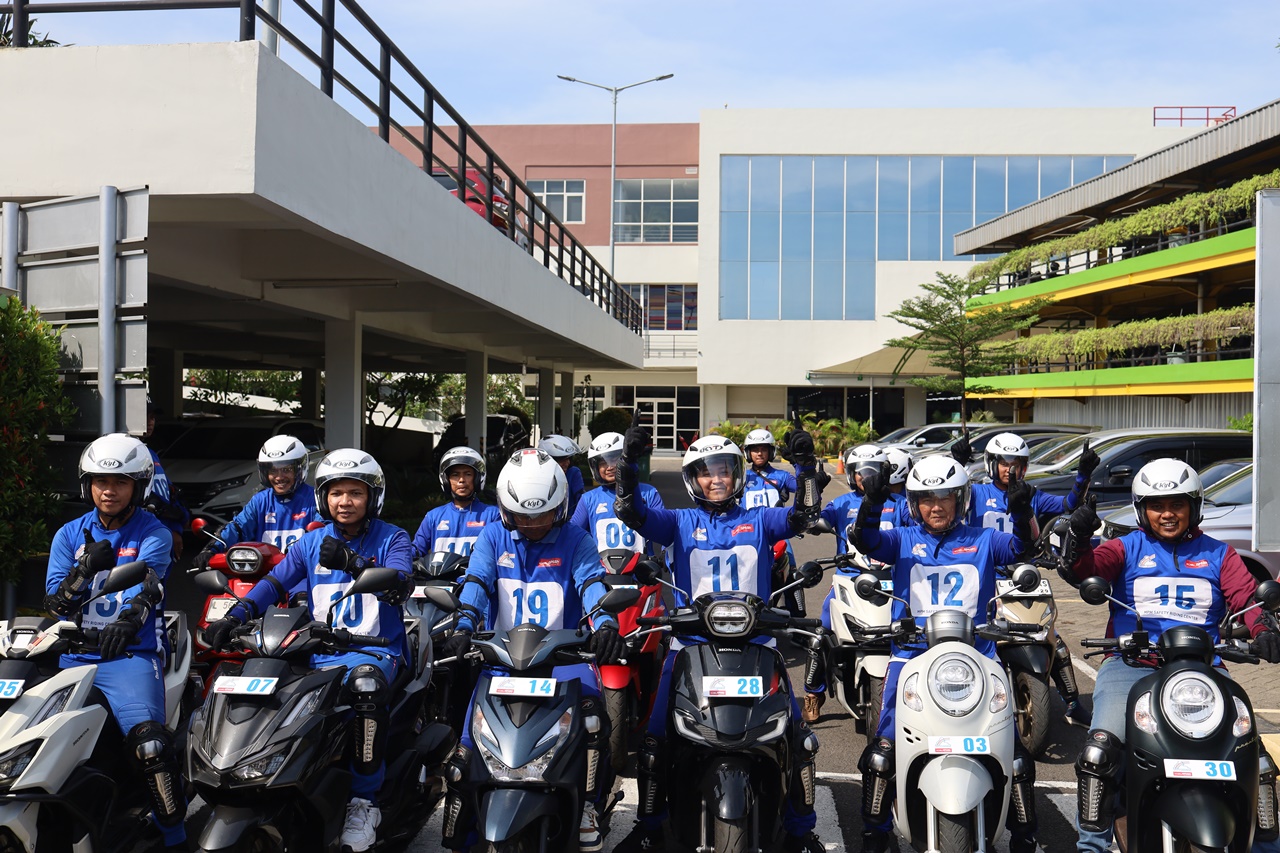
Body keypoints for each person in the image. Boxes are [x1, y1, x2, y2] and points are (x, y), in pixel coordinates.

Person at [611, 428, 825, 853]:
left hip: (759, 645)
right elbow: (630, 513)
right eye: (706, 473)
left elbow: (801, 516)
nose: (716, 479)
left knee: (799, 739)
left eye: (724, 471)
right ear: (693, 480)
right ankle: (651, 825)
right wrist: (628, 469)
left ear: (737, 475)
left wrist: (804, 468)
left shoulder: (761, 519)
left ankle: (801, 831)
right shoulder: (678, 520)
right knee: (654, 741)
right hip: (688, 646)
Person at [1062, 458, 1280, 853]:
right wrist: (1078, 538)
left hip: (1204, 669)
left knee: (1255, 758)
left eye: (1177, 504)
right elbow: (1085, 569)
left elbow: (1247, 600)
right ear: (1141, 509)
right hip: (1130, 666)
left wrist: (1264, 628)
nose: (1167, 514)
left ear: (1194, 506)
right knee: (1100, 750)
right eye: (1157, 505)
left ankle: (1266, 845)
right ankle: (1091, 845)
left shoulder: (1220, 554)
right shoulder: (1126, 547)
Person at [202, 448, 412, 853]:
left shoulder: (393, 537)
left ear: (372, 497)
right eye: (336, 493)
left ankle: (363, 802)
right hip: (316, 650)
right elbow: (275, 584)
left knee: (365, 690)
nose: (345, 502)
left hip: (372, 652)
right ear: (323, 498)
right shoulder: (310, 542)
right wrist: (234, 614)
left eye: (355, 493)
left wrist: (353, 563)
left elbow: (400, 584)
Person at [850, 454, 1040, 853]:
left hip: (978, 657)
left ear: (961, 499)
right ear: (912, 504)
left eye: (945, 497)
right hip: (912, 658)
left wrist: (1022, 514)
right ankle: (874, 830)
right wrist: (872, 505)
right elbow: (865, 541)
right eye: (925, 499)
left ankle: (1025, 836)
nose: (936, 506)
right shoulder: (901, 539)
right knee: (883, 750)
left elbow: (1024, 548)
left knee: (1016, 756)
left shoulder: (984, 539)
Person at [438, 448, 624, 853]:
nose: (533, 524)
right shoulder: (492, 535)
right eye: (522, 515)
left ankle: (589, 804)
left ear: (560, 506)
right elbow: (477, 583)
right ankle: (464, 809)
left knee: (595, 723)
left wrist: (606, 625)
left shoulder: (578, 539)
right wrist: (464, 626)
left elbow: (592, 586)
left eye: (542, 514)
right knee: (468, 744)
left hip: (565, 662)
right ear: (506, 507)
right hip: (503, 663)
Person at [45, 434, 189, 850]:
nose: (108, 490)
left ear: (138, 487)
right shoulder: (69, 534)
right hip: (74, 657)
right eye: (100, 481)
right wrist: (82, 570)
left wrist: (127, 622)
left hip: (130, 657)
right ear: (87, 484)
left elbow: (149, 589)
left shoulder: (155, 532)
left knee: (151, 747)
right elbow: (55, 605)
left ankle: (176, 839)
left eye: (120, 482)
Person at [958, 431, 1096, 726]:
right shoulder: (975, 493)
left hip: (1023, 578)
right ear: (990, 463)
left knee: (1052, 637)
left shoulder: (1031, 494)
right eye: (1004, 462)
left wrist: (1083, 475)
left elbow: (1067, 506)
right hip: (984, 575)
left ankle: (1072, 703)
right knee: (971, 633)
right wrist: (956, 462)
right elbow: (951, 501)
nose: (1011, 469)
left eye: (1017, 463)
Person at [800, 444, 911, 722]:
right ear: (850, 475)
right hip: (849, 578)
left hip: (893, 579)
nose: (866, 477)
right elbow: (812, 522)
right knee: (820, 631)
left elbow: (918, 529)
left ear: (885, 473)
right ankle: (813, 692)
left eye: (873, 471)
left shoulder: (900, 505)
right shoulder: (841, 503)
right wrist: (814, 489)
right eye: (859, 472)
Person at [191, 434, 320, 568]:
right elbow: (238, 528)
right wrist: (211, 549)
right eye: (273, 470)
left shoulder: (315, 499)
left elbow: (323, 531)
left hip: (302, 574)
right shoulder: (260, 501)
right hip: (262, 574)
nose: (279, 477)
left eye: (286, 470)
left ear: (300, 469)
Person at [570, 431, 665, 555]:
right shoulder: (588, 499)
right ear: (595, 467)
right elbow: (572, 535)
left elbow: (664, 528)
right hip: (602, 571)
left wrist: (665, 555)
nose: (609, 467)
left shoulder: (649, 493)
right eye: (603, 462)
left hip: (641, 570)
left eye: (614, 460)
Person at [411, 446, 501, 560]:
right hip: (439, 578)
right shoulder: (433, 517)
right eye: (455, 474)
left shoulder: (493, 515)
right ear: (446, 480)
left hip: (476, 577)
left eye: (468, 474)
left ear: (477, 478)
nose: (461, 480)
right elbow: (416, 551)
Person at [140, 400, 189, 558]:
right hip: (143, 536)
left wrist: (176, 527)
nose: (150, 422)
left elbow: (169, 494)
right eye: (145, 416)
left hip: (163, 533)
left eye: (152, 417)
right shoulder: (129, 454)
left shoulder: (151, 453)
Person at [741, 428, 796, 508]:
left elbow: (806, 490)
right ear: (748, 453)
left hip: (775, 520)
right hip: (747, 521)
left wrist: (799, 464)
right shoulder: (741, 478)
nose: (759, 453)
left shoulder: (783, 476)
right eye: (755, 450)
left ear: (770, 452)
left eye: (763, 450)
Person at [538, 434, 585, 517]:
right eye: (561, 459)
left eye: (568, 459)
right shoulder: (536, 478)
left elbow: (581, 502)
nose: (567, 463)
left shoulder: (572, 474)